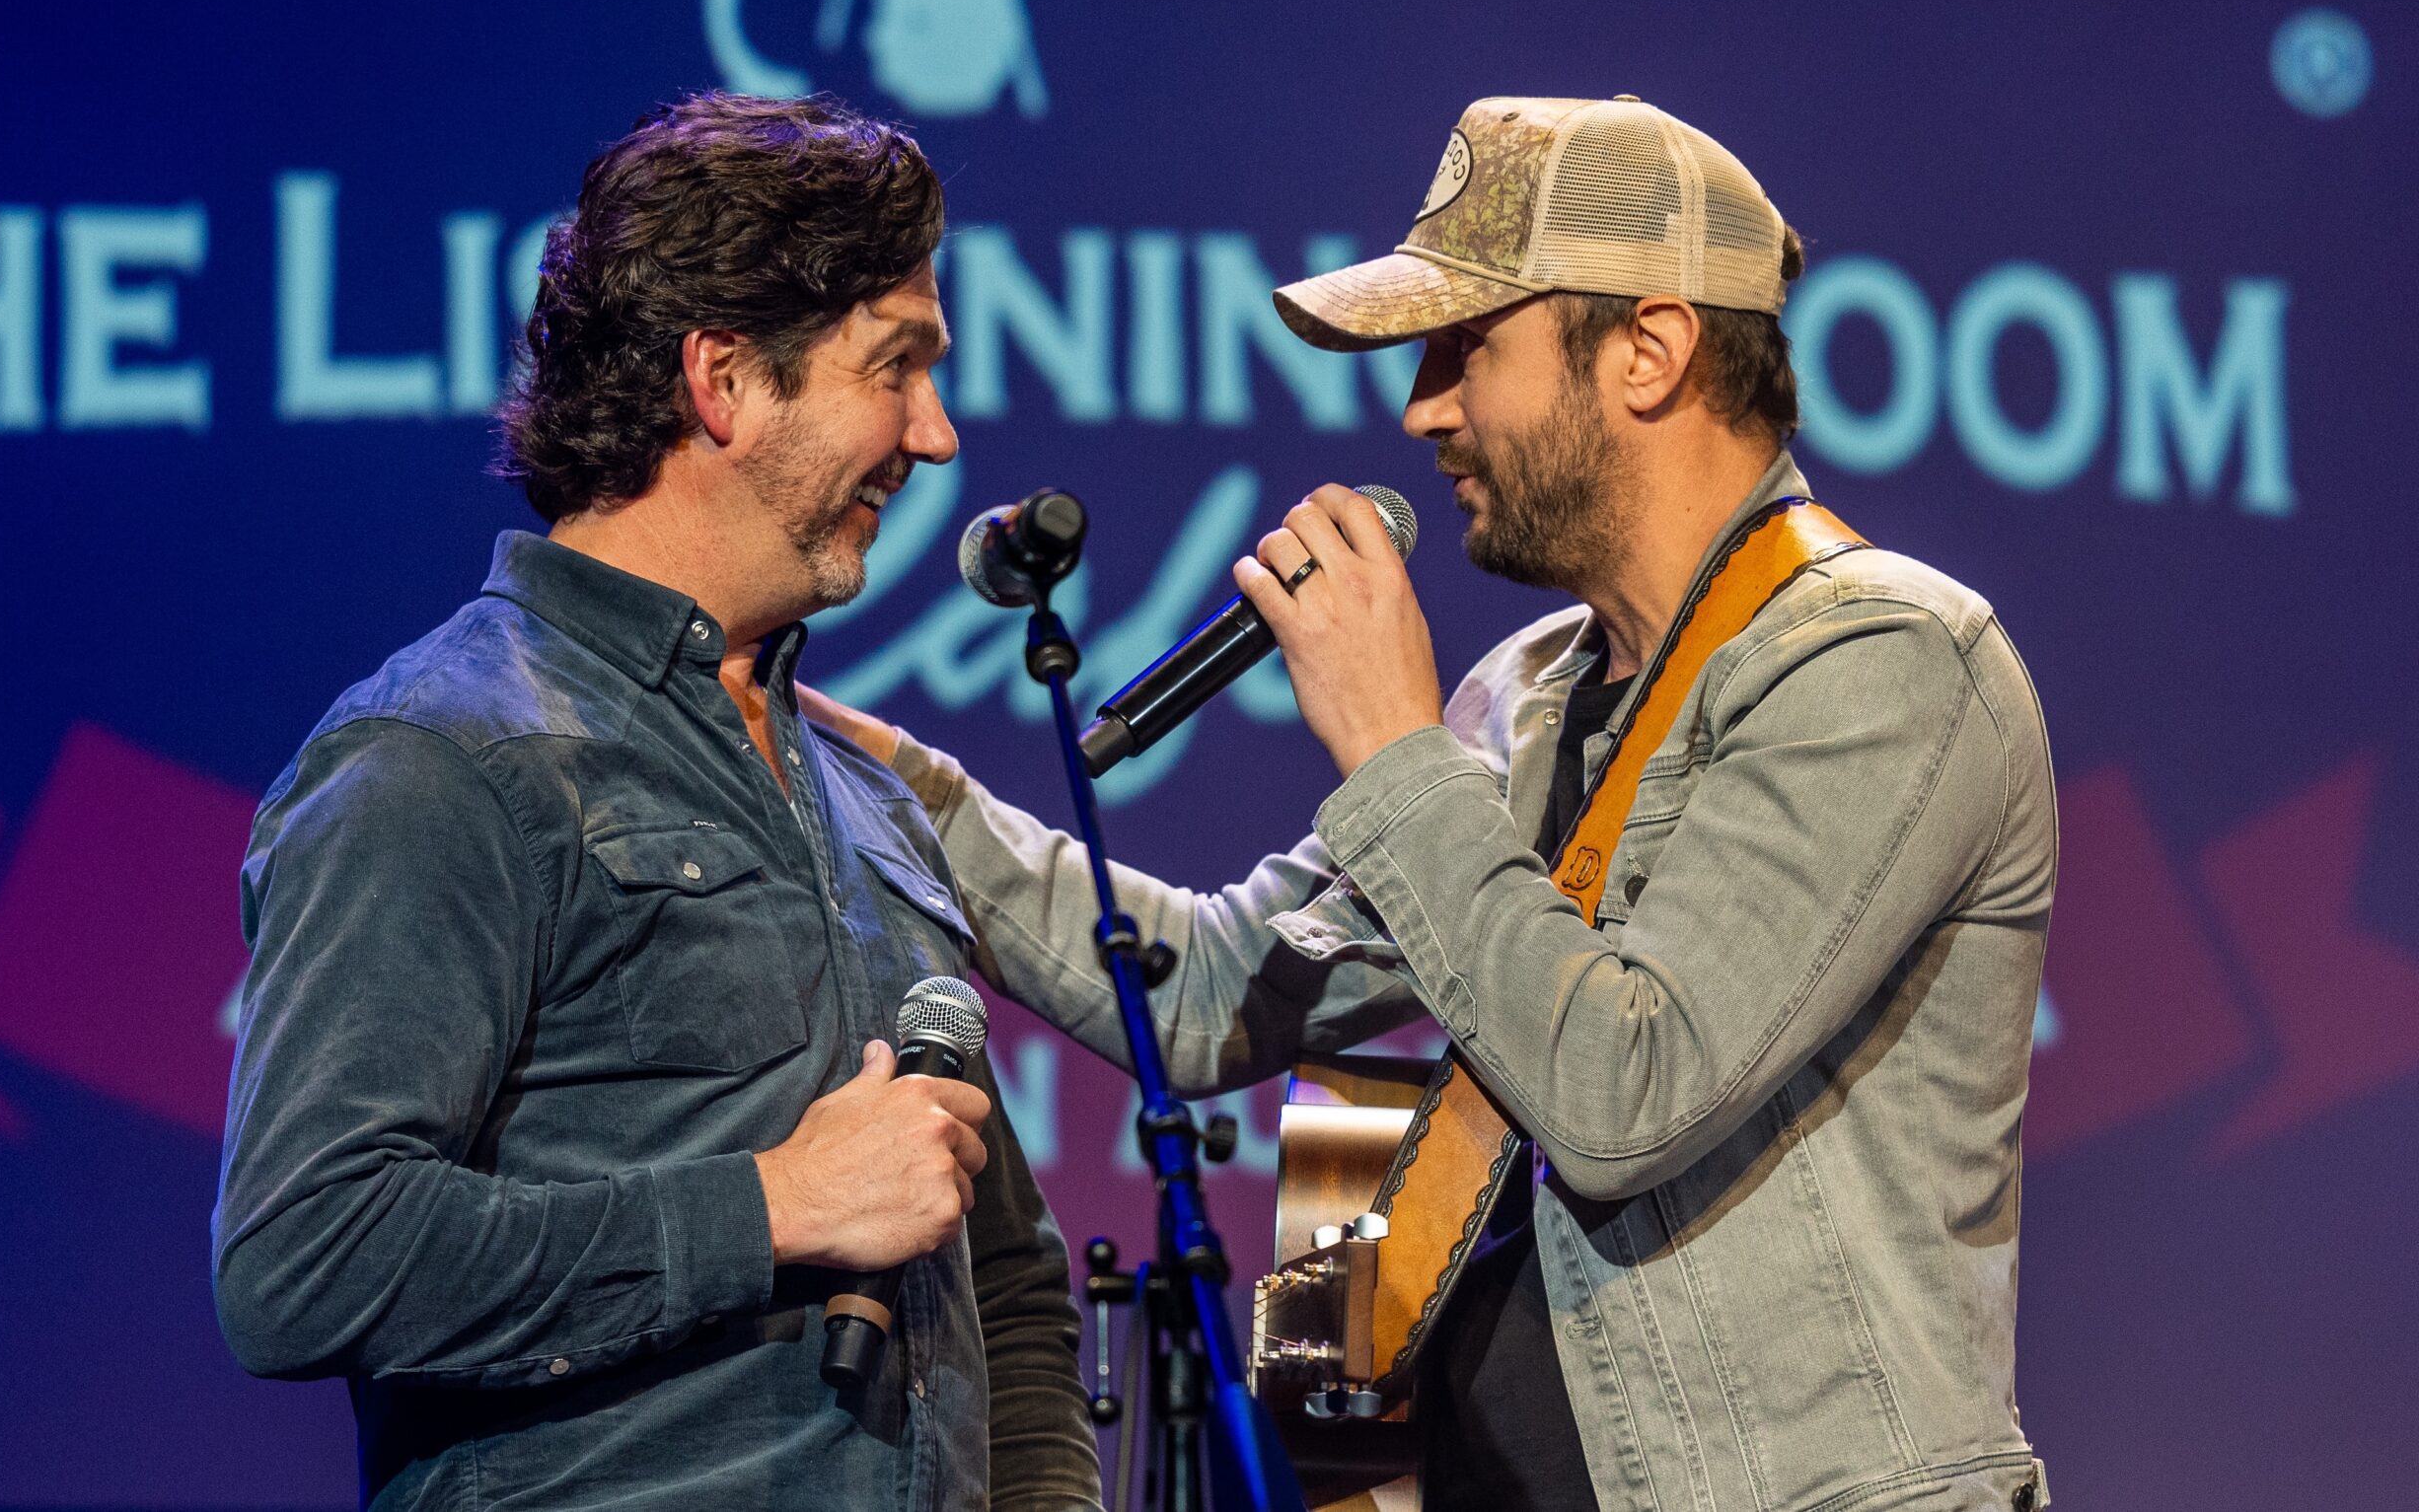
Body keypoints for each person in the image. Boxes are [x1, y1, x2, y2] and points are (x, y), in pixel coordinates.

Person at [807, 97, 2056, 1512]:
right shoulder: (1528, 692)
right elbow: (1207, 992)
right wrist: (875, 774)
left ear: (1650, 352)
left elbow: (1626, 1095)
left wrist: (1393, 747)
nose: (1421, 409)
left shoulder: (1882, 660)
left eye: (1469, 348)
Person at [215, 93, 1100, 1512]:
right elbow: (305, 1258)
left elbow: (1002, 1282)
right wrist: (774, 1207)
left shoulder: (865, 795)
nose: (936, 436)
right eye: (896, 366)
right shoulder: (440, 756)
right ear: (725, 379)